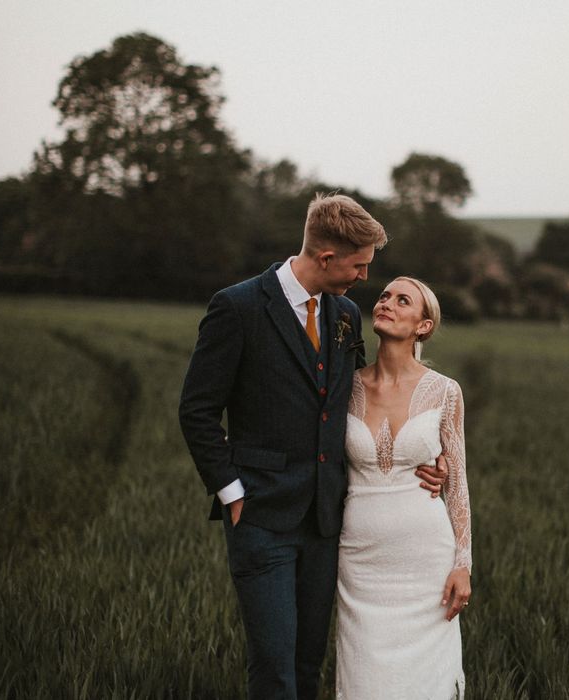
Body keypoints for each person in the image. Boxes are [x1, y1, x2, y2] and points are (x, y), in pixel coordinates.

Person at [178, 194, 445, 700]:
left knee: (307, 664)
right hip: (260, 518)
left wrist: (426, 460)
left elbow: (359, 404)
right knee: (275, 667)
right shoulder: (237, 307)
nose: (364, 278)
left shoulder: (343, 315)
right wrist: (232, 491)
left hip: (327, 523)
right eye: (359, 265)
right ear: (327, 259)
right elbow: (196, 410)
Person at [336, 276, 472, 699]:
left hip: (425, 564)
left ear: (423, 325)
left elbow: (460, 483)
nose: (386, 303)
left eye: (402, 300)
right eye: (383, 296)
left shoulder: (445, 392)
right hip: (359, 565)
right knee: (363, 680)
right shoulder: (345, 386)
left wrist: (462, 563)